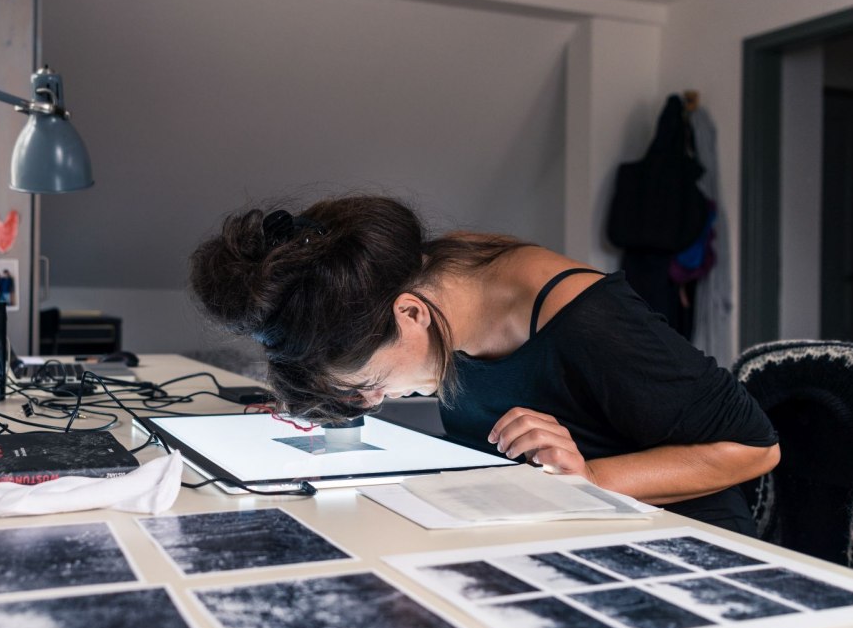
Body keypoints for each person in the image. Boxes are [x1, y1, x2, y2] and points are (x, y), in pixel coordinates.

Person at [189, 195, 780, 534]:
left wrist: (590, 480)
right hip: (544, 526)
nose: (371, 400)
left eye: (369, 384)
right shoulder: (425, 282)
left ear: (411, 314)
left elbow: (755, 448)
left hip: (674, 539)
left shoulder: (587, 320)